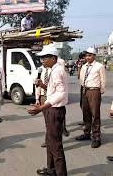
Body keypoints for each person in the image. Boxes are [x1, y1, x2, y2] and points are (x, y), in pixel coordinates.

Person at [27, 45, 68, 176]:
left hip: (55, 110)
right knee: (50, 142)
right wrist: (42, 85)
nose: (42, 60)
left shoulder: (57, 71)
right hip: (52, 108)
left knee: (55, 146)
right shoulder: (53, 70)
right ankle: (51, 170)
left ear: (53, 58)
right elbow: (53, 90)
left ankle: (60, 173)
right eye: (41, 58)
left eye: (45, 58)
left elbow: (61, 93)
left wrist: (41, 108)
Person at [76, 47, 106, 148]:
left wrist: (99, 92)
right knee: (85, 113)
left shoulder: (99, 66)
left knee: (95, 114)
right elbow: (80, 77)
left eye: (90, 55)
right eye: (86, 56)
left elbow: (103, 80)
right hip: (85, 90)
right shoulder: (84, 66)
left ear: (94, 56)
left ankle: (96, 137)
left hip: (94, 91)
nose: (88, 57)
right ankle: (86, 133)